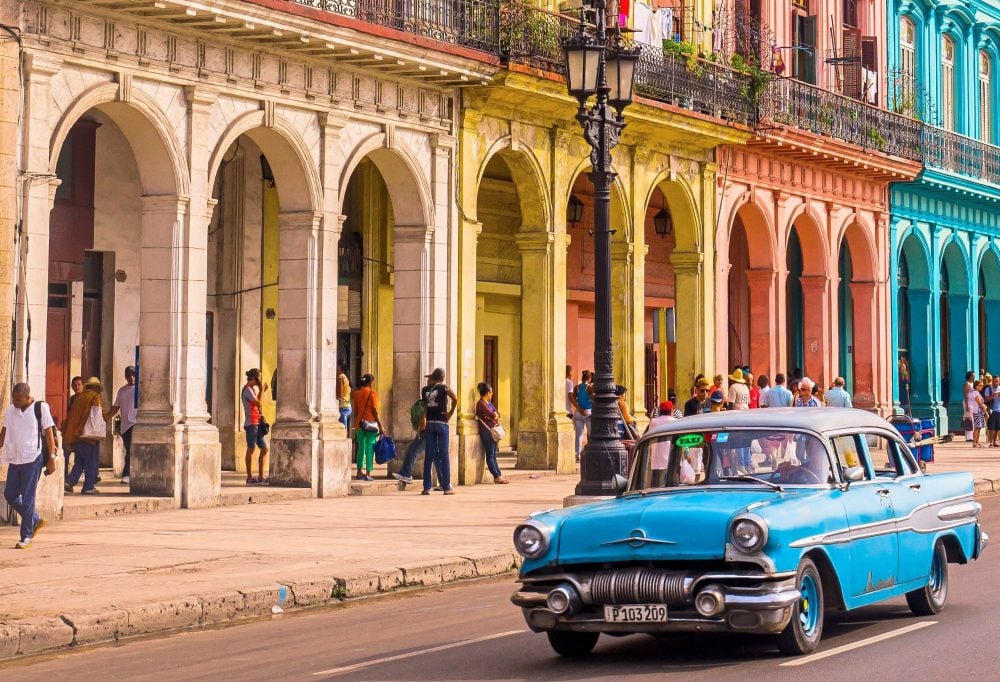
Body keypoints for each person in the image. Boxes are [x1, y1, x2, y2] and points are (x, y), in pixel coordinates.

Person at [1, 384, 57, 549]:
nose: (15, 402)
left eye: (18, 399)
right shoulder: (11, 411)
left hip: (33, 458)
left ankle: (26, 536)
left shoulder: (40, 408)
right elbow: (4, 432)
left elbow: (49, 433)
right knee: (10, 494)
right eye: (14, 399)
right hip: (15, 458)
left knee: (27, 498)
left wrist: (52, 458)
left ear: (27, 397)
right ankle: (35, 519)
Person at [63, 377, 107, 495]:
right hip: (89, 436)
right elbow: (98, 416)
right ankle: (88, 487)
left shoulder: (78, 398)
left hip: (76, 435)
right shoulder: (94, 397)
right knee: (91, 462)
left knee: (80, 461)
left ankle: (69, 482)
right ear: (97, 388)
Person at [422, 368, 458, 495]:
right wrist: (450, 413)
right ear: (442, 378)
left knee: (429, 455)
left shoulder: (424, 390)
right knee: (444, 455)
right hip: (442, 423)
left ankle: (427, 487)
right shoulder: (444, 388)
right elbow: (455, 398)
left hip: (430, 423)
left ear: (433, 377)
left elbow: (424, 408)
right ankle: (447, 487)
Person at [106, 366, 137, 484]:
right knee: (128, 449)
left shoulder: (139, 389)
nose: (131, 377)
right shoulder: (122, 391)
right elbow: (116, 407)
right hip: (125, 426)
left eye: (133, 375)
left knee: (131, 450)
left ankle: (127, 474)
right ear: (125, 376)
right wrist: (106, 417)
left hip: (136, 423)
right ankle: (128, 474)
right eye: (129, 375)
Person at [241, 369, 270, 485]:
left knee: (265, 448)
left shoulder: (251, 390)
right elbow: (259, 403)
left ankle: (261, 476)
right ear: (256, 378)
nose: (261, 380)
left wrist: (261, 391)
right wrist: (262, 389)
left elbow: (257, 401)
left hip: (257, 422)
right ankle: (249, 478)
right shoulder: (247, 389)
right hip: (251, 424)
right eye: (260, 377)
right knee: (251, 449)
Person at [475, 382, 508, 484]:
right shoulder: (481, 404)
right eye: (491, 392)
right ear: (488, 392)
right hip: (487, 432)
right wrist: (492, 415)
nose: (492, 393)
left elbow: (498, 414)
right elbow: (493, 415)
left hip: (493, 431)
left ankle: (498, 475)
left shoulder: (488, 403)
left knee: (494, 455)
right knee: (490, 455)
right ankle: (496, 476)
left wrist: (493, 415)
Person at [352, 373, 383, 481]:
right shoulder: (372, 393)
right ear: (370, 382)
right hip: (371, 425)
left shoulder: (357, 393)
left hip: (359, 424)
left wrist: (357, 423)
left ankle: (359, 472)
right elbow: (375, 411)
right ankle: (368, 473)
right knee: (370, 448)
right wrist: (380, 425)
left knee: (361, 448)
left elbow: (356, 411)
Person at [62, 376, 84, 477]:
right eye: (74, 385)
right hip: (71, 431)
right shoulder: (71, 399)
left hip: (81, 432)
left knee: (80, 457)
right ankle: (65, 477)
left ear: (83, 386)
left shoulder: (85, 399)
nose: (77, 387)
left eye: (79, 384)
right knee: (65, 454)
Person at [572, 370, 593, 462]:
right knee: (591, 433)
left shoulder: (577, 387)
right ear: (589, 378)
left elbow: (574, 399)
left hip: (578, 412)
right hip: (587, 412)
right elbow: (593, 399)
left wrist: (579, 408)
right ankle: (591, 452)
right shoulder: (589, 387)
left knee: (579, 435)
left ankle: (578, 454)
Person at [967, 379, 987, 448]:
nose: (982, 387)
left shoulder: (976, 392)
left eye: (982, 385)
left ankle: (976, 442)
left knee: (979, 427)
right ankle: (974, 443)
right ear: (976, 386)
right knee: (977, 427)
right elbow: (980, 403)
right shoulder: (975, 393)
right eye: (980, 385)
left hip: (978, 411)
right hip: (977, 411)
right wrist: (986, 413)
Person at [985, 375, 1000, 447]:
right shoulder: (988, 389)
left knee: (997, 427)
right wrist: (993, 396)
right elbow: (986, 399)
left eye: (997, 381)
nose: (996, 383)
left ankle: (994, 442)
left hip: (999, 410)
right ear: (992, 381)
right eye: (994, 381)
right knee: (991, 427)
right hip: (991, 410)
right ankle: (991, 442)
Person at [336, 363, 352, 430]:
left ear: (340, 368)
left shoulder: (340, 377)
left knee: (342, 430)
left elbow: (340, 394)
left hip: (342, 407)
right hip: (346, 405)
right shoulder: (345, 377)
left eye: (337, 367)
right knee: (343, 429)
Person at [963, 371, 976, 442]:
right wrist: (967, 405)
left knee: (973, 419)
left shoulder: (973, 384)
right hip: (968, 403)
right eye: (973, 375)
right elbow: (966, 394)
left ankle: (972, 436)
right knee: (968, 419)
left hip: (973, 403)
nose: (974, 376)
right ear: (969, 376)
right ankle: (968, 437)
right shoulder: (967, 384)